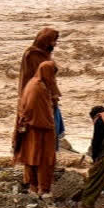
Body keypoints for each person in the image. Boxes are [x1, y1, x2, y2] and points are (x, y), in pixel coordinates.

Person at [13, 61, 59, 197]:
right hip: (40, 130)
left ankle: (33, 187)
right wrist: (50, 124)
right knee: (45, 160)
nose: (54, 78)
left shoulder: (33, 84)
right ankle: (43, 190)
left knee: (32, 157)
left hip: (31, 129)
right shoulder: (38, 88)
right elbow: (34, 109)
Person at [18, 28, 65, 145]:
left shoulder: (45, 54)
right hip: (36, 95)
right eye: (53, 41)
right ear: (46, 41)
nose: (55, 44)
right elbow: (39, 77)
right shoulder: (32, 55)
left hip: (47, 94)